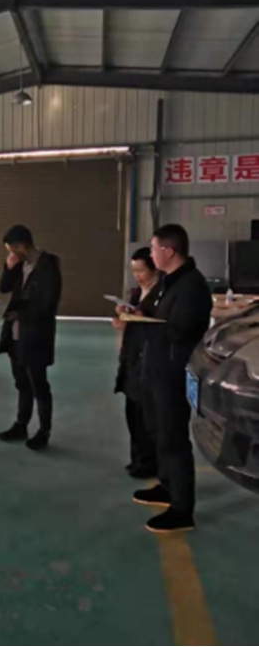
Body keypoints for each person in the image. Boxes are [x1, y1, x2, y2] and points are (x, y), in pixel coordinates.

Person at [132, 224, 212, 533]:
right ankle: (167, 486)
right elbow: (154, 315)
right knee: (158, 432)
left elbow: (183, 330)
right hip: (156, 369)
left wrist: (147, 324)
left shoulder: (192, 286)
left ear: (168, 251)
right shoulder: (168, 281)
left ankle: (182, 508)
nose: (151, 254)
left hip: (172, 372)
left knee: (173, 437)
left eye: (154, 249)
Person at [0, 225, 62, 451]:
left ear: (22, 246)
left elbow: (48, 302)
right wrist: (8, 267)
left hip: (36, 336)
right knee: (22, 383)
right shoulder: (19, 264)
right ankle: (21, 424)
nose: (11, 254)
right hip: (16, 335)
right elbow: (3, 288)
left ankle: (44, 430)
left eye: (12, 250)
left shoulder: (47, 265)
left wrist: (20, 314)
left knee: (38, 384)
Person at [112, 247, 160, 480]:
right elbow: (132, 324)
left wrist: (141, 321)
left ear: (154, 269)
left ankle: (149, 462)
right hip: (131, 359)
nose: (137, 276)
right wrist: (123, 319)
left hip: (148, 360)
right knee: (132, 413)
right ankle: (137, 458)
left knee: (146, 417)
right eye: (134, 271)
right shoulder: (136, 293)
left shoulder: (161, 294)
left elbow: (160, 327)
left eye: (141, 271)